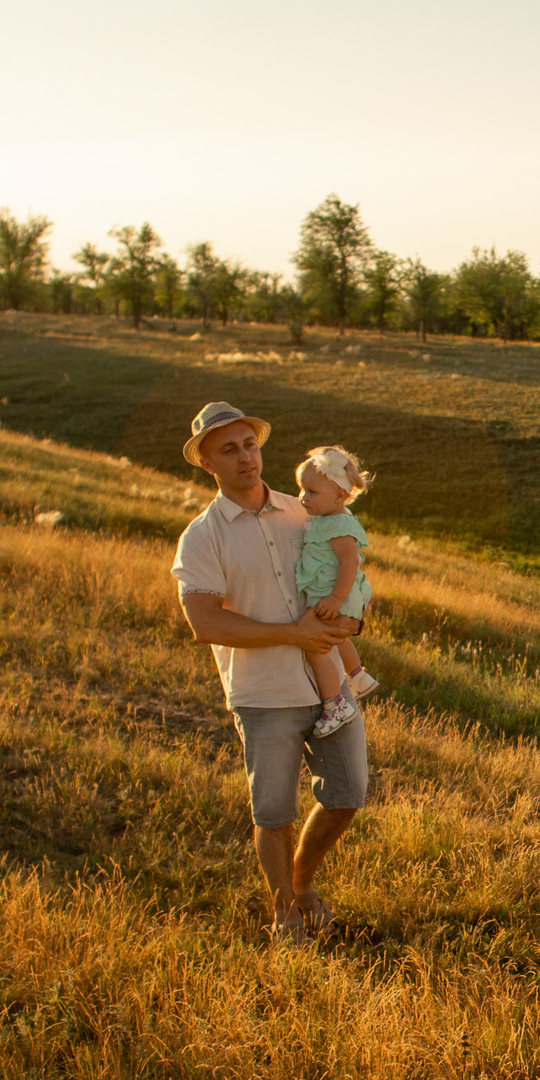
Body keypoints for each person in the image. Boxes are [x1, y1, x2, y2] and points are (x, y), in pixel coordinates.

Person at [169, 401, 370, 947]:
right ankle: (285, 911)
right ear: (208, 463)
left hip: (330, 683)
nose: (244, 457)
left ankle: (303, 884)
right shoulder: (202, 536)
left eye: (249, 444)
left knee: (349, 794)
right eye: (228, 450)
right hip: (264, 694)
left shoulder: (306, 510)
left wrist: (353, 615)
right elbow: (204, 622)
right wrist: (293, 635)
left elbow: (348, 568)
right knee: (275, 811)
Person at [294, 444, 381, 738]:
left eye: (311, 492)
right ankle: (357, 675)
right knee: (333, 637)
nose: (303, 497)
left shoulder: (339, 524)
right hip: (333, 597)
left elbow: (349, 562)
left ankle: (335, 704)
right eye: (302, 489)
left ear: (340, 495)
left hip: (337, 597)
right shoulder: (325, 519)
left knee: (317, 647)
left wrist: (335, 598)